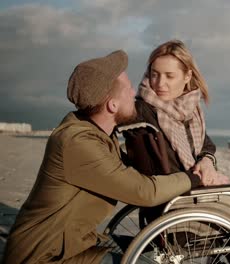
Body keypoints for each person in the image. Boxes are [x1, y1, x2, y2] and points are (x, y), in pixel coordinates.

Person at [2, 50, 201, 264]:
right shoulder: (77, 143)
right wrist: (193, 178)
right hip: (45, 257)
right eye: (128, 89)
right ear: (112, 105)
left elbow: (133, 172)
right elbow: (142, 191)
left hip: (77, 243)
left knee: (155, 254)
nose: (135, 92)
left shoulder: (97, 133)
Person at [123, 39, 230, 263]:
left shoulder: (188, 111)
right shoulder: (145, 112)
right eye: (154, 74)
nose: (159, 83)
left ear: (187, 77)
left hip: (184, 202)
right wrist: (201, 175)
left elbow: (207, 145)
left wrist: (206, 162)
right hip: (182, 210)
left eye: (168, 75)